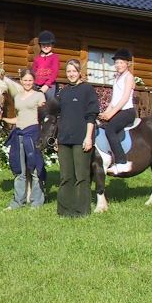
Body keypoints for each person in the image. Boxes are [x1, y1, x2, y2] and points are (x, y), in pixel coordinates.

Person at [0, 68, 46, 209]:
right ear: (21, 81)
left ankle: (36, 201)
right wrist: (3, 118)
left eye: (30, 80)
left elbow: (43, 116)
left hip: (32, 133)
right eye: (25, 80)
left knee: (34, 168)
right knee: (19, 169)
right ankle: (17, 201)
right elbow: (18, 118)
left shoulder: (39, 96)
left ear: (33, 81)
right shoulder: (18, 97)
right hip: (19, 133)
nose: (27, 82)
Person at [55, 59, 99, 218]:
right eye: (68, 72)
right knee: (66, 176)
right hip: (64, 139)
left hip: (81, 138)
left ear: (79, 72)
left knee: (81, 176)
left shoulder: (87, 90)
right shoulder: (64, 92)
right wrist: (56, 139)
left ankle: (82, 211)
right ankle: (65, 211)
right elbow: (58, 116)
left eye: (74, 71)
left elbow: (91, 115)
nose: (71, 74)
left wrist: (89, 137)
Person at [99, 48, 136, 174]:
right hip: (118, 110)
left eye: (121, 62)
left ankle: (122, 162)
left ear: (127, 64)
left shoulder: (129, 77)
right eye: (116, 63)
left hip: (127, 111)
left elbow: (125, 98)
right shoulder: (117, 78)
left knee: (110, 130)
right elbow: (114, 100)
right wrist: (105, 113)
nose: (118, 65)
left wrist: (111, 113)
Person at [32, 30, 60, 101]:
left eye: (48, 44)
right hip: (36, 85)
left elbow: (54, 72)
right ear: (40, 45)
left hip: (49, 86)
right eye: (44, 44)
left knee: (48, 105)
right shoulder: (37, 58)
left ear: (52, 45)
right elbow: (33, 72)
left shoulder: (54, 57)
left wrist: (47, 85)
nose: (46, 46)